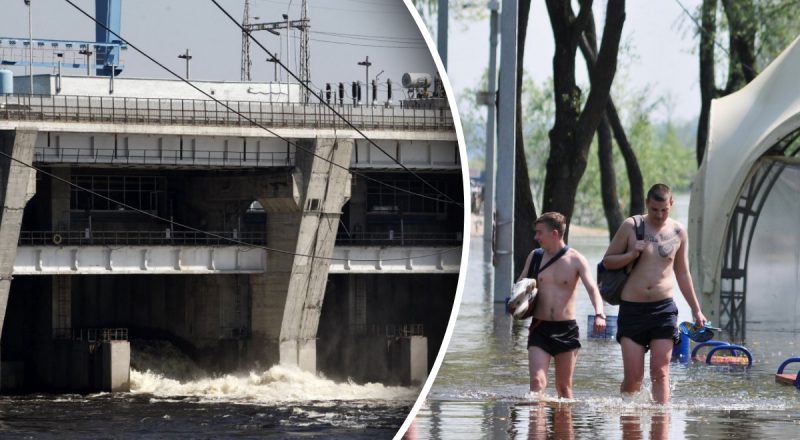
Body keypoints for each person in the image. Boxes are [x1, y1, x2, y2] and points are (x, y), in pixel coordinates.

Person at [602, 183, 707, 404]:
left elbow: (683, 273)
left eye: (664, 210)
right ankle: (628, 417)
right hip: (632, 309)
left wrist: (697, 310)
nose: (659, 215)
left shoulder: (678, 232)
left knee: (660, 372)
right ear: (647, 204)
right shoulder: (631, 226)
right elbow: (608, 262)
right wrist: (631, 254)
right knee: (634, 378)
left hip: (663, 309)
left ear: (671, 204)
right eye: (654, 210)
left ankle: (661, 421)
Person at [516, 212, 606, 398]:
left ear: (554, 233)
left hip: (566, 330)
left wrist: (599, 314)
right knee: (537, 383)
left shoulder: (576, 260)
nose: (536, 237)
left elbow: (592, 289)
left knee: (564, 388)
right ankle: (536, 418)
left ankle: (563, 419)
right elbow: (519, 285)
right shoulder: (535, 256)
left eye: (540, 232)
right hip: (539, 328)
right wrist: (516, 301)